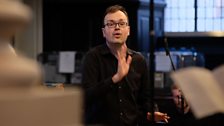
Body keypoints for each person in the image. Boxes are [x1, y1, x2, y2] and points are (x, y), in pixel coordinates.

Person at [81, 4, 170, 126]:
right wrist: (115, 79)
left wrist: (152, 112)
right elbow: (86, 96)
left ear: (128, 30)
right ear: (103, 32)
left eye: (121, 23)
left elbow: (146, 97)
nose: (117, 28)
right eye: (111, 24)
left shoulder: (138, 60)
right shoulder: (92, 57)